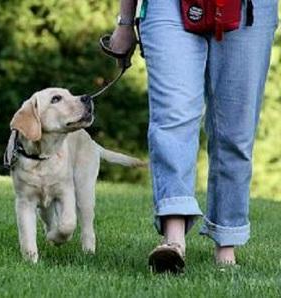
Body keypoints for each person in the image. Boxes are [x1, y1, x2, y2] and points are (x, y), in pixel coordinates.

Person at [110, 0, 279, 272]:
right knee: (173, 115)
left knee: (235, 132)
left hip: (250, 8)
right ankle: (173, 241)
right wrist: (125, 22)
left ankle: (226, 244)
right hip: (167, 6)